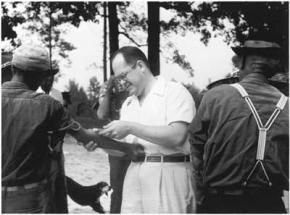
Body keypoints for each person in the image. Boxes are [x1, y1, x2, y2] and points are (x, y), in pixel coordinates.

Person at [2, 44, 144, 213]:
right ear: (41, 75)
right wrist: (128, 148)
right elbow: (84, 136)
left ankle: (85, 195)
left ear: (12, 68)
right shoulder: (47, 105)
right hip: (30, 199)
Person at [189, 36, 289, 213]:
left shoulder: (215, 96)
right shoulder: (287, 105)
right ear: (272, 67)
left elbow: (196, 150)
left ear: (241, 63)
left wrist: (199, 191)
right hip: (271, 204)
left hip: (220, 203)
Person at [98, 46, 196, 213]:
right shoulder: (129, 104)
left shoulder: (173, 92)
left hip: (170, 174)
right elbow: (124, 150)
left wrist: (130, 127)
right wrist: (98, 141)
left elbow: (177, 136)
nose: (121, 84)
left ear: (141, 66)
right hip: (134, 176)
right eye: (117, 79)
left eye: (123, 75)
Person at [96, 75, 130, 213]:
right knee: (117, 188)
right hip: (117, 145)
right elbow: (101, 114)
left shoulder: (137, 81)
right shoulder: (109, 84)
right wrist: (109, 90)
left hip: (138, 140)